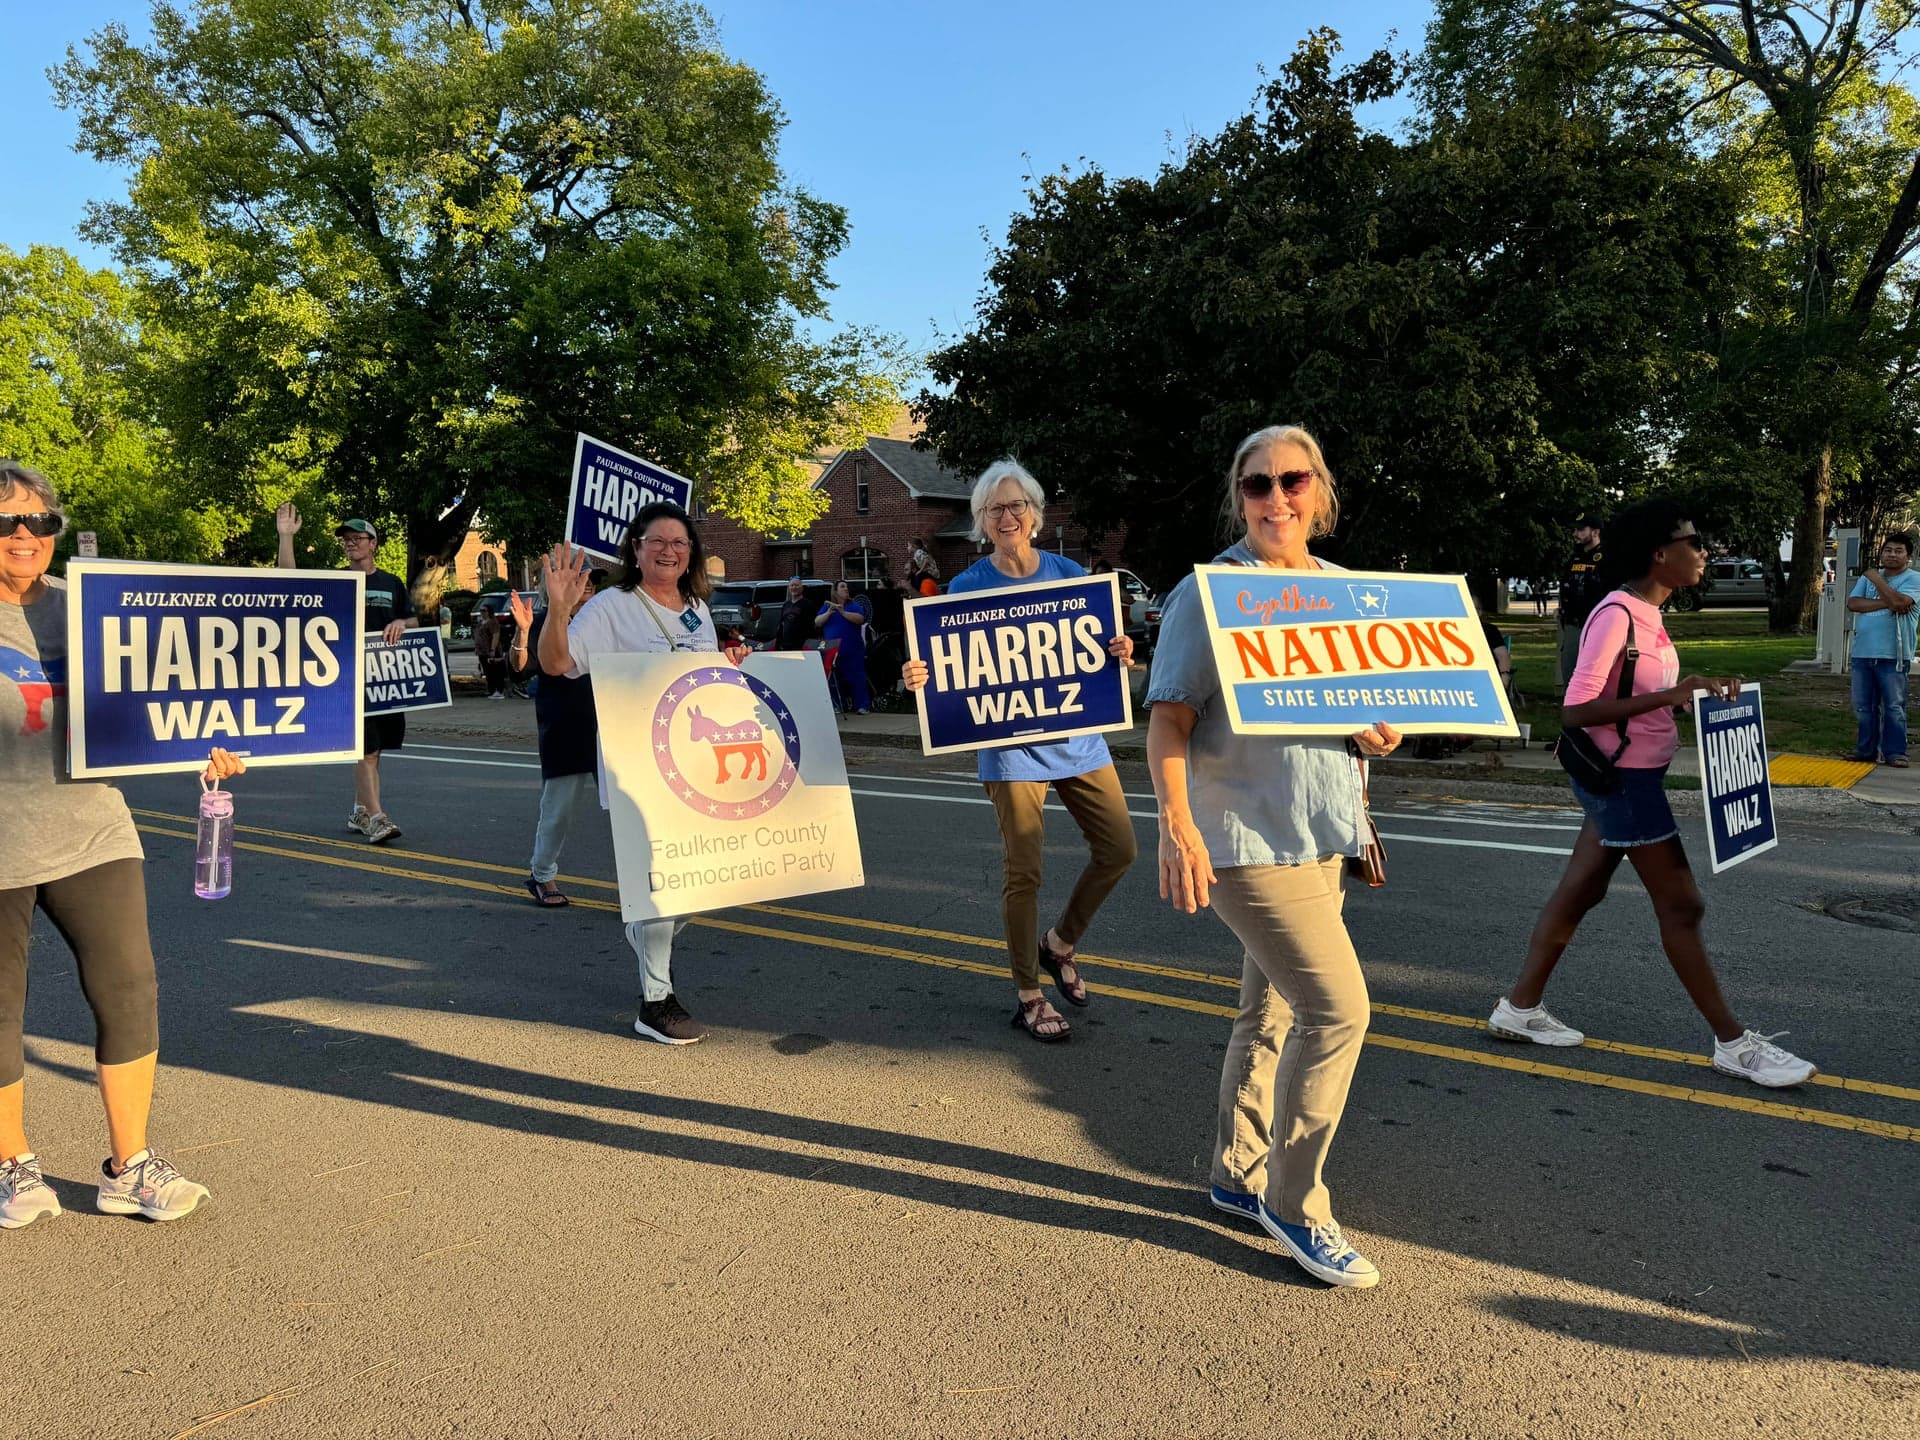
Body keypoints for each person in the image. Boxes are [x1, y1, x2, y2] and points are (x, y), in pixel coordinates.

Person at [1146, 424, 1398, 1290]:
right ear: (1238, 496)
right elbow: (1170, 718)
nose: (1277, 498)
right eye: (1258, 485)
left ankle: (1234, 1170)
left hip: (1322, 833)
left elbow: (1362, 713)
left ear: (1319, 491)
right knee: (1340, 1011)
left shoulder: (1341, 593)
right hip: (1248, 841)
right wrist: (1177, 825)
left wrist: (1375, 728)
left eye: (1293, 481)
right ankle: (1298, 1205)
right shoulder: (1211, 595)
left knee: (1274, 1014)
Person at [1489, 498, 1816, 1087]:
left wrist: (1697, 697)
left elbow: (1642, 693)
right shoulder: (1618, 613)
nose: (1704, 552)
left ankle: (1519, 1008)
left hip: (1632, 775)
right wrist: (1671, 695)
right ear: (1660, 554)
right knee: (1683, 907)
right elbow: (1575, 710)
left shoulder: (1648, 612)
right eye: (1695, 542)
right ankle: (1735, 1045)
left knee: (1579, 892)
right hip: (1624, 781)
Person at [1, 460, 246, 1229]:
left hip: (93, 831)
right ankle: (12, 1164)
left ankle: (129, 1166)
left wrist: (208, 744)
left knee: (130, 989)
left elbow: (160, 696)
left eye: (39, 521)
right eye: (7, 519)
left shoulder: (89, 613)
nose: (24, 534)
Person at [901, 460, 1138, 1043]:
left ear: (1034, 513)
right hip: (1010, 750)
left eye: (1016, 506)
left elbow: (1097, 648)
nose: (1007, 517)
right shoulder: (966, 588)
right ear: (981, 521)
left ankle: (1059, 943)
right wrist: (920, 678)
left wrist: (1120, 651)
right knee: (1023, 870)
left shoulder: (1067, 574)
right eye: (994, 509)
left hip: (1080, 741)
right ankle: (1029, 993)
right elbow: (949, 670)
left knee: (1120, 849)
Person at [537, 501, 746, 1045]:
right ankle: (656, 1000)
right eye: (657, 541)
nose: (669, 551)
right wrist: (559, 611)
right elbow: (557, 664)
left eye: (680, 543)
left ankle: (643, 931)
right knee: (662, 882)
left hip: (695, 769)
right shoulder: (611, 606)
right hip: (638, 769)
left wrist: (731, 665)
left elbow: (699, 682)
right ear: (636, 548)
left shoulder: (697, 608)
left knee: (702, 883)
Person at [276, 503, 414, 843]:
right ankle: (377, 818)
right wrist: (286, 538)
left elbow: (413, 620)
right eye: (346, 540)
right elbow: (291, 586)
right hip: (347, 681)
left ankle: (359, 810)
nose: (350, 543)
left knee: (374, 751)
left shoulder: (392, 583)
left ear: (374, 544)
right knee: (364, 750)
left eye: (357, 538)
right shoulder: (337, 580)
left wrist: (400, 621)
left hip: (386, 681)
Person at [510, 583, 598, 906]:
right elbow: (518, 670)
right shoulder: (543, 623)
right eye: (579, 581)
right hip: (565, 730)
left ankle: (641, 883)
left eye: (591, 582)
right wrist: (522, 633)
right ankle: (543, 874)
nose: (586, 588)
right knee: (558, 811)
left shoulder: (606, 620)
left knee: (626, 811)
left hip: (613, 728)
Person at [1845, 531, 1919, 767]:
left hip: (1893, 655)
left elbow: (1900, 603)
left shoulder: (1913, 579)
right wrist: (1888, 602)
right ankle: (1866, 751)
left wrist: (1875, 578)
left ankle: (1895, 752)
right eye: (1888, 550)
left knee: (1894, 706)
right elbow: (1853, 604)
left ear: (1908, 557)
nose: (1892, 555)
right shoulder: (1865, 580)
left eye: (1898, 551)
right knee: (1864, 707)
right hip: (1863, 653)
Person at [1557, 515, 1605, 688]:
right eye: (1574, 530)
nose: (1575, 534)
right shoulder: (1575, 558)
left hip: (1598, 626)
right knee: (1569, 670)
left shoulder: (1607, 558)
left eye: (1580, 530)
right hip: (1573, 625)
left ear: (1595, 532)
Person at [816, 581, 872, 713]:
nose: (846, 589)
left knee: (857, 677)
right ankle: (838, 705)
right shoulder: (827, 606)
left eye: (846, 587)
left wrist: (843, 613)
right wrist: (829, 612)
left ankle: (862, 705)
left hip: (852, 649)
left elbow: (860, 619)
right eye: (842, 587)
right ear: (835, 591)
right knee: (834, 680)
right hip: (833, 650)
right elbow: (817, 622)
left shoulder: (853, 605)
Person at [476, 605, 510, 700]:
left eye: (484, 610)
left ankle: (499, 690)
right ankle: (491, 690)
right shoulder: (480, 622)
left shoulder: (493, 622)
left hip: (491, 651)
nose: (482, 612)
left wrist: (492, 649)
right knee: (488, 672)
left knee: (496, 671)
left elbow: (496, 635)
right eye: (481, 610)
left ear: (489, 612)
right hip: (482, 652)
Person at [774, 575, 815, 651]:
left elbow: (811, 626)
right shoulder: (786, 605)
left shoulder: (808, 604)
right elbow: (781, 625)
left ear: (802, 588)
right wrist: (778, 643)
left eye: (796, 585)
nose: (794, 587)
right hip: (786, 646)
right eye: (792, 585)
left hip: (801, 645)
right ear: (789, 588)